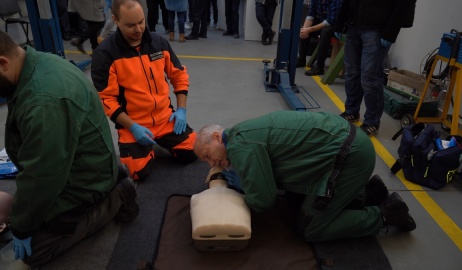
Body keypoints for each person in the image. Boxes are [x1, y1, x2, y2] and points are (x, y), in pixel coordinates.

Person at [0, 30, 138, 267]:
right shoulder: (40, 62)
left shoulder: (43, 102)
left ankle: (111, 201)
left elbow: (42, 176)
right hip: (78, 165)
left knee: (33, 250)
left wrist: (22, 227)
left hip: (85, 185)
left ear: (2, 63)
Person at [194, 111, 416, 242]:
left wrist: (244, 188)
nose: (212, 164)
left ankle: (384, 214)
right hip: (350, 143)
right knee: (295, 198)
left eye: (207, 155)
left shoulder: (240, 146)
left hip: (349, 157)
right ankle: (367, 193)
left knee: (309, 227)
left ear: (216, 137)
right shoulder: (243, 133)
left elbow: (263, 199)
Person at [91, 0, 198, 181]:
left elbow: (179, 76)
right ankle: (146, 149)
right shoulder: (105, 54)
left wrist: (181, 110)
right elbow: (106, 99)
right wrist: (132, 126)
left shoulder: (159, 43)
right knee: (138, 173)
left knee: (192, 153)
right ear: (115, 20)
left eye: (141, 22)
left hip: (166, 119)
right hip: (134, 125)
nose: (139, 29)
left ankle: (157, 144)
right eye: (131, 25)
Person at [333, 0, 416, 136]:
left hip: (377, 29)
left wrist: (391, 31)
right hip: (354, 25)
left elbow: (403, 3)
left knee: (370, 78)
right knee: (352, 73)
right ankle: (351, 111)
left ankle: (372, 122)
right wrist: (339, 22)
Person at [296, 0, 342, 76]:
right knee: (305, 28)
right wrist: (304, 30)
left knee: (325, 32)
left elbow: (329, 21)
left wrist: (309, 30)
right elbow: (311, 15)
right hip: (324, 21)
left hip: (337, 26)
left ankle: (319, 67)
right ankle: (301, 59)